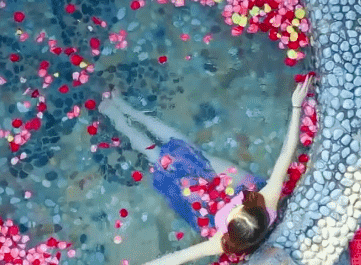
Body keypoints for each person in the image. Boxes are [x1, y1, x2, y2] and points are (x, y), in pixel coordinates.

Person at [98, 77, 314, 265]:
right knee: (187, 148)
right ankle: (126, 108)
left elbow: (177, 258)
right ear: (253, 206)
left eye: (232, 212)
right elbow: (286, 153)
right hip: (234, 183)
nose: (234, 203)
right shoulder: (267, 200)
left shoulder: (221, 242)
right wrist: (296, 107)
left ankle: (117, 118)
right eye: (242, 205)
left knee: (159, 158)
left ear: (229, 232)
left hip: (203, 205)